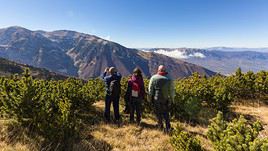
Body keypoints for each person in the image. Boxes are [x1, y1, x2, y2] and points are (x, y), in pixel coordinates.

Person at [148, 65, 175, 132]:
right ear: (165, 71)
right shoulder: (169, 78)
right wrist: (172, 100)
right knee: (166, 113)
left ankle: (160, 127)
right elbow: (171, 91)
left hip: (156, 98)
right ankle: (168, 127)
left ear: (158, 70)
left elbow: (150, 90)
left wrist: (149, 99)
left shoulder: (153, 78)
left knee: (158, 113)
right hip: (165, 99)